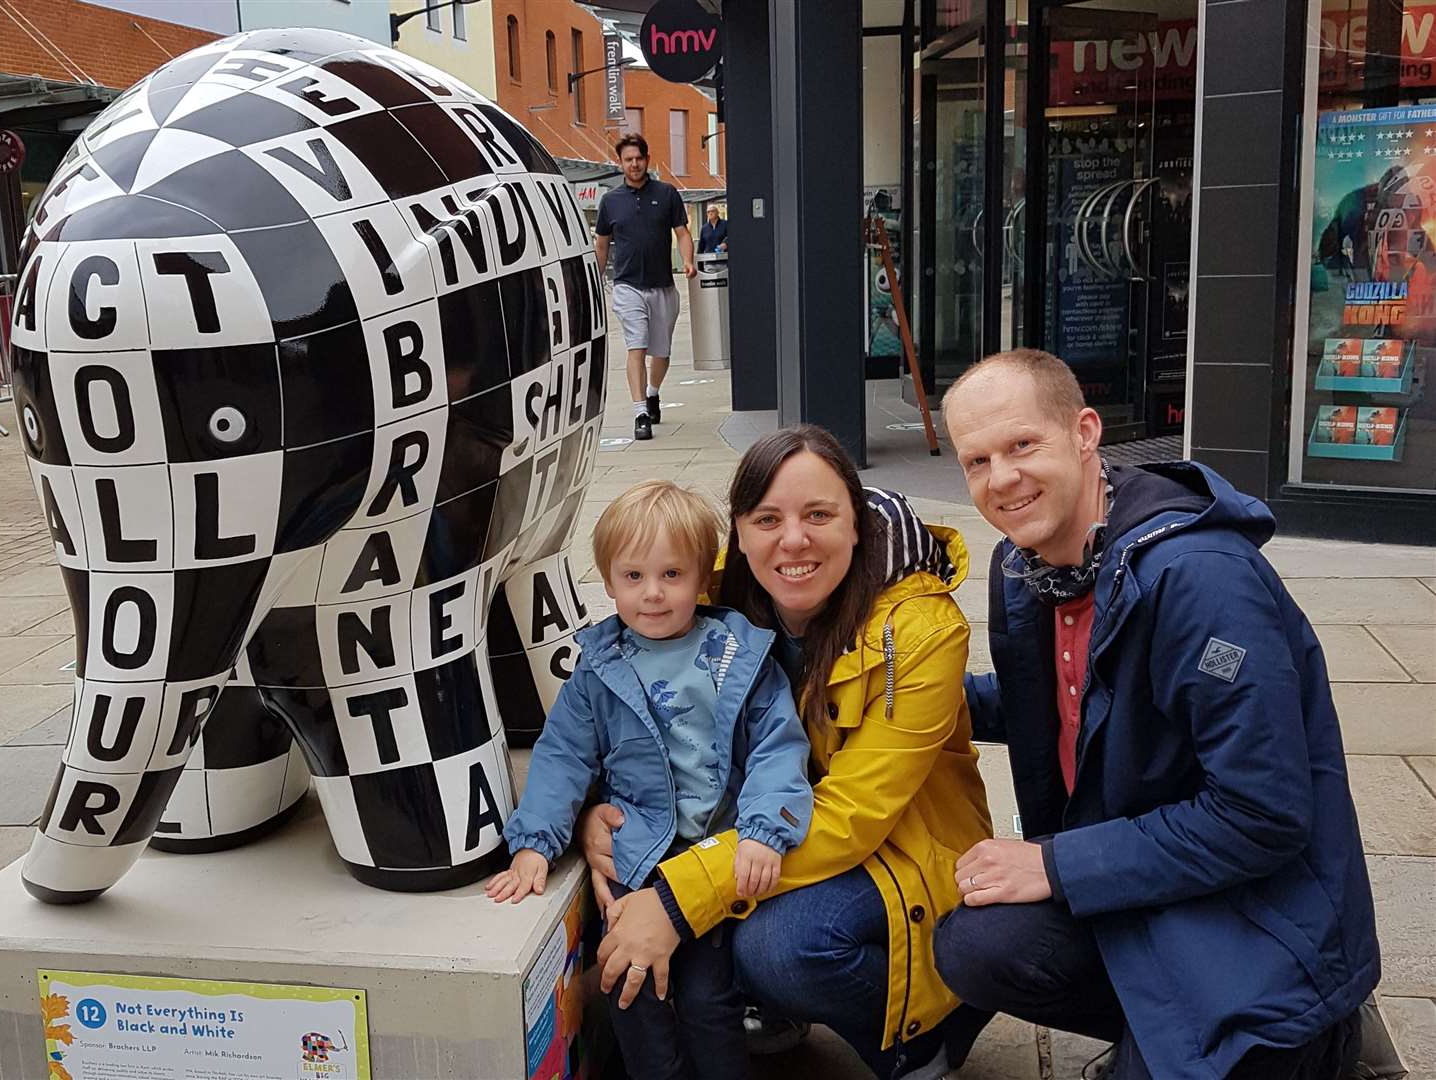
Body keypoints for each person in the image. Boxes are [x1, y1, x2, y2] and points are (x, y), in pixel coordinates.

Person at [933, 349, 1379, 1080]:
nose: (1001, 479)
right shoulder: (1035, 566)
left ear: (1084, 433)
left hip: (1261, 925)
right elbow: (1066, 701)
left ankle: (1312, 1040)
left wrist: (1054, 862)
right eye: (977, 461)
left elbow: (1261, 815)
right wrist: (911, 699)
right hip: (1158, 885)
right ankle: (1158, 1030)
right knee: (976, 943)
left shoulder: (1202, 582)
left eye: (1021, 445)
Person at [579, 426, 994, 1080]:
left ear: (856, 525)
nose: (792, 540)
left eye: (819, 515)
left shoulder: (917, 630)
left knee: (774, 947)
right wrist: (596, 807)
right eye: (767, 518)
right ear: (738, 534)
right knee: (694, 904)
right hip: (768, 831)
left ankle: (926, 1039)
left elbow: (856, 811)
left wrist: (676, 898)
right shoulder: (701, 599)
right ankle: (767, 1003)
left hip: (900, 848)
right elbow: (613, 699)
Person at [490, 479, 814, 1080]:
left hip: (718, 856)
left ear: (702, 578)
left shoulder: (736, 653)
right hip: (638, 860)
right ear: (608, 582)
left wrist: (766, 829)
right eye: (633, 577)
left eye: (672, 575)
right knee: (629, 985)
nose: (653, 594)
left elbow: (777, 746)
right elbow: (563, 755)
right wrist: (535, 842)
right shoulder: (600, 669)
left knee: (707, 999)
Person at [595, 133, 696, 442]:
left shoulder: (666, 194)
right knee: (636, 346)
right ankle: (641, 413)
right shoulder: (610, 201)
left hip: (663, 286)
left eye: (638, 158)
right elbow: (601, 244)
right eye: (628, 159)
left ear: (646, 159)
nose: (634, 164)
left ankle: (653, 393)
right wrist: (596, 280)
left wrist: (688, 261)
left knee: (661, 350)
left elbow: (682, 233)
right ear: (620, 163)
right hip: (627, 286)